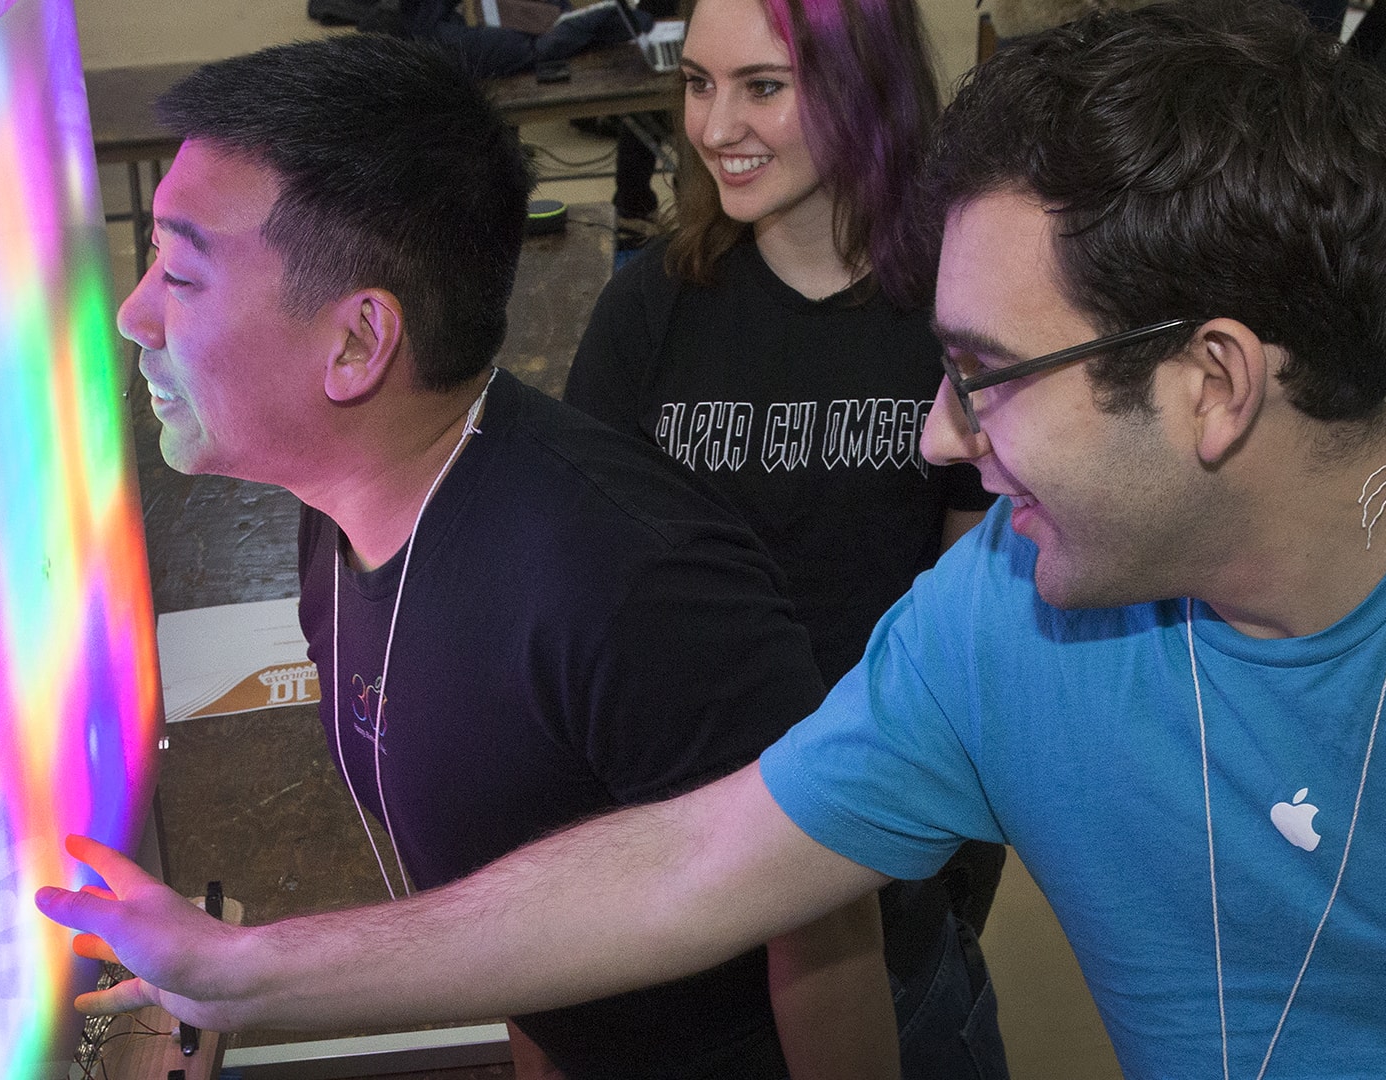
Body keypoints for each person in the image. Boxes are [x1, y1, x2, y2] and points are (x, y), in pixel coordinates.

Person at [39, 3, 1386, 1076]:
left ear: (1212, 385)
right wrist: (248, 972)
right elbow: (690, 865)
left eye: (984, 377)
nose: (937, 439)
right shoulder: (995, 620)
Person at [102, 32, 898, 1080]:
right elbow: (513, 913)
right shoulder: (342, 510)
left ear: (356, 344)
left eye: (183, 274)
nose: (134, 313)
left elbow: (831, 929)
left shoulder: (626, 581)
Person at [562, 0, 1005, 1072]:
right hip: (689, 855)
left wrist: (928, 865)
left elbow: (972, 616)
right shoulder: (651, 314)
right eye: (700, 83)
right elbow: (577, 596)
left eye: (762, 86)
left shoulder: (959, 308)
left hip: (884, 851)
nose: (715, 127)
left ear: (867, 91)